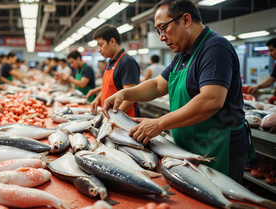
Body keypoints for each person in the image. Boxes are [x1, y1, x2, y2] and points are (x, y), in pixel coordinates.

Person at [102, 0, 253, 182]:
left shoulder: (215, 48)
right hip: (190, 147)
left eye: (163, 28)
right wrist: (125, 93)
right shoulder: (182, 55)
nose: (162, 37)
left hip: (219, 147)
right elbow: (158, 85)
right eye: (159, 31)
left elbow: (212, 99)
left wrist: (159, 124)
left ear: (186, 20)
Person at [87, 24, 140, 117]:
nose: (99, 50)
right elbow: (107, 88)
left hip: (124, 120)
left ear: (112, 41)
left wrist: (113, 117)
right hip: (110, 117)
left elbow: (130, 98)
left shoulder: (127, 62)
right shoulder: (109, 63)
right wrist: (97, 99)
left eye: (101, 45)